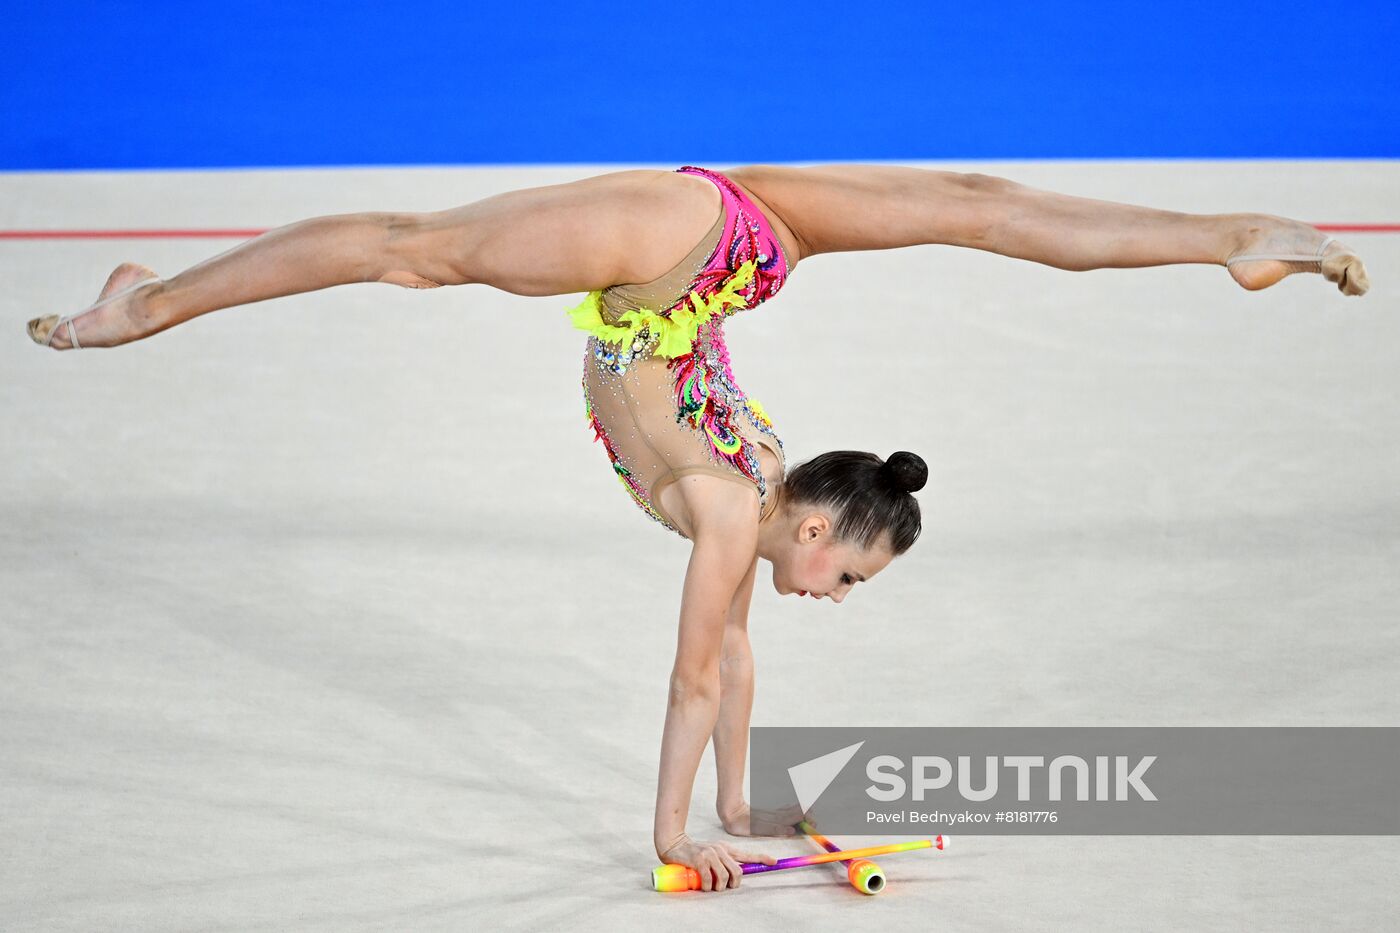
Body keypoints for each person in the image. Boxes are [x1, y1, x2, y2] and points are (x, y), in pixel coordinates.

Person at [24, 164, 1370, 891]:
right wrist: (675, 831)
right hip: (673, 248)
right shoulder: (734, 504)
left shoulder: (761, 492)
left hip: (728, 253)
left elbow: (730, 660)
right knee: (407, 243)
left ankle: (1237, 234)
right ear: (818, 527)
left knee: (973, 207)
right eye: (851, 572)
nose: (839, 593)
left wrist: (743, 801)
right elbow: (690, 672)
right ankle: (142, 304)